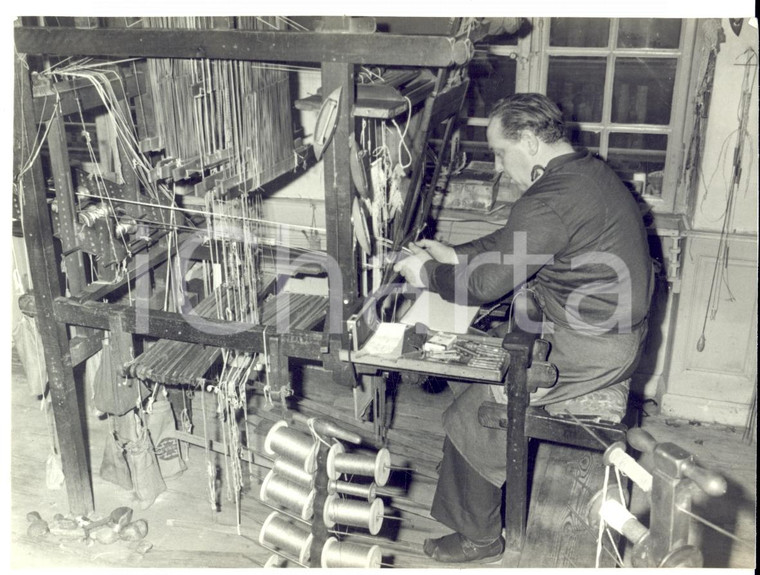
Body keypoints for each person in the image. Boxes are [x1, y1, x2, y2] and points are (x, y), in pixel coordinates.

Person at [394, 93, 653, 563]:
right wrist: (456, 254)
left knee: (477, 410)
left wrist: (427, 275)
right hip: (604, 334)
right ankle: (475, 474)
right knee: (472, 365)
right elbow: (514, 237)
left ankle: (480, 535)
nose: (497, 164)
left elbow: (488, 284)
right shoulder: (582, 172)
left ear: (530, 141)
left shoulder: (553, 196)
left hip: (590, 347)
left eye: (499, 151)